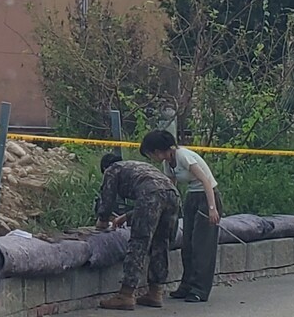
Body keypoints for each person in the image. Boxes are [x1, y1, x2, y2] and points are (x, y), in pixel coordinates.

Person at [141, 129, 222, 303]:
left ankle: (200, 289)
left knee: (202, 246)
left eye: (151, 153)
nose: (152, 157)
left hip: (206, 196)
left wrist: (212, 208)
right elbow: (170, 185)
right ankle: (187, 285)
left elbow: (206, 181)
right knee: (188, 245)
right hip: (191, 198)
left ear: (158, 150)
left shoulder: (183, 156)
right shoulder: (167, 163)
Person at [94, 157, 181, 310]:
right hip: (173, 194)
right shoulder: (138, 167)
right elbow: (156, 198)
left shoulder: (112, 170)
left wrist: (102, 220)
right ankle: (155, 293)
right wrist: (127, 216)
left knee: (139, 242)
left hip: (151, 194)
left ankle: (126, 295)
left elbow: (107, 199)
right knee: (161, 243)